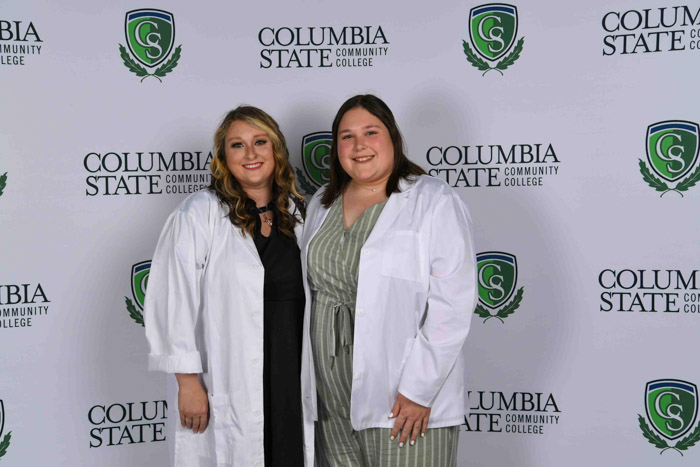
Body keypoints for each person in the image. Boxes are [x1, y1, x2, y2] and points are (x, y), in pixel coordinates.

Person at [299, 94, 476, 466]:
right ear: (336, 148)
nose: (359, 145)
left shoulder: (433, 200)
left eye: (370, 132)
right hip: (330, 398)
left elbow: (453, 304)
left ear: (392, 137)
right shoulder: (320, 204)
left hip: (401, 396)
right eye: (346, 136)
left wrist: (418, 391)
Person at [144, 106, 309, 467]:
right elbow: (173, 300)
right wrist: (188, 383)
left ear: (277, 150)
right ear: (223, 157)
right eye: (238, 145)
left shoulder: (300, 214)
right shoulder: (198, 214)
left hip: (293, 373)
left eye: (260, 142)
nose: (251, 154)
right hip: (229, 377)